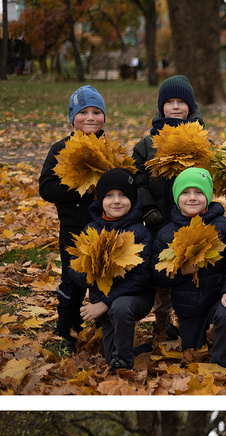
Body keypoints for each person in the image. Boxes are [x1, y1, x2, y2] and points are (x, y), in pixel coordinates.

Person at [40, 86, 113, 346]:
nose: (91, 117)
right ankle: (67, 328)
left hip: (106, 228)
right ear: (72, 118)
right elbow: (46, 187)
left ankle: (106, 328)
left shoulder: (110, 149)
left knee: (105, 280)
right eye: (83, 112)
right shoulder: (61, 149)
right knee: (73, 282)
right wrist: (81, 186)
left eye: (97, 112)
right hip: (72, 229)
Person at [147, 169, 226, 363]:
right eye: (185, 192)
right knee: (192, 353)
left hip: (217, 297)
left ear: (207, 196)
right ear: (176, 197)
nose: (192, 198)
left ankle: (219, 362)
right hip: (187, 306)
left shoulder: (223, 227)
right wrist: (181, 271)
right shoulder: (167, 233)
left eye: (199, 192)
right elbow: (156, 273)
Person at [78, 167, 153, 372]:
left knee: (119, 308)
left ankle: (125, 364)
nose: (116, 201)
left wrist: (104, 303)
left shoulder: (139, 232)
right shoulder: (91, 230)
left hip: (134, 298)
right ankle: (134, 352)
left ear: (133, 199)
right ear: (101, 200)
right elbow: (74, 269)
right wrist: (89, 273)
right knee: (110, 356)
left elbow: (141, 277)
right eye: (109, 195)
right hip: (103, 298)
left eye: (123, 195)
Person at [128, 74, 197, 230]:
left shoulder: (202, 144)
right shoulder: (146, 146)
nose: (175, 107)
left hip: (193, 222)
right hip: (157, 223)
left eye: (182, 102)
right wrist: (147, 207)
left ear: (190, 106)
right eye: (169, 102)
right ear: (161, 107)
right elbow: (138, 180)